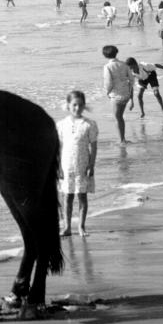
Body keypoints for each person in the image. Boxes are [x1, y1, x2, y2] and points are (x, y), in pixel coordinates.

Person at [56, 90, 98, 237]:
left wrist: (91, 166)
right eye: (74, 105)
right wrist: (58, 167)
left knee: (82, 196)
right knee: (67, 197)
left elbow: (93, 146)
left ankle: (81, 226)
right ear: (68, 106)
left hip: (83, 165)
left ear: (84, 106)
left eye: (80, 105)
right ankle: (67, 227)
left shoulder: (89, 124)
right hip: (66, 166)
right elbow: (58, 147)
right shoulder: (61, 125)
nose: (77, 108)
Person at [101, 44, 134, 145]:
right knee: (120, 117)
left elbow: (108, 82)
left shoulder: (107, 67)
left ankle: (122, 140)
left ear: (105, 55)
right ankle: (122, 139)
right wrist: (129, 90)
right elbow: (132, 79)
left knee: (118, 118)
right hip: (126, 94)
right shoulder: (124, 64)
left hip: (116, 95)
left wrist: (107, 92)